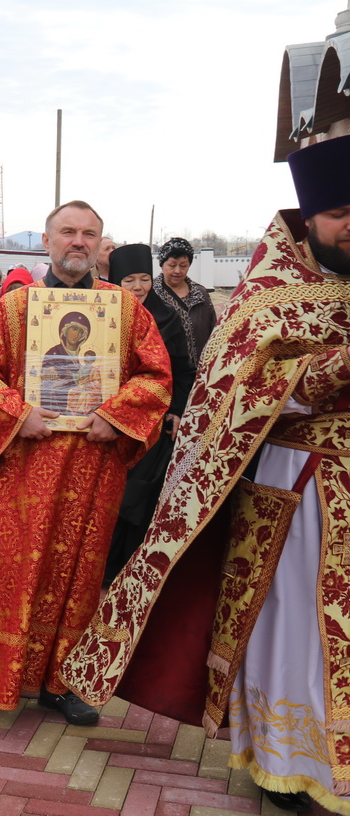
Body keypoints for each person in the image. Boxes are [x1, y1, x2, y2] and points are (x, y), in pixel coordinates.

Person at [61, 135, 350, 813]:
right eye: (340, 213)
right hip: (300, 491)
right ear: (309, 218)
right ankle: (286, 760)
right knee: (295, 628)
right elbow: (232, 388)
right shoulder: (270, 296)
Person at [0, 201, 170, 726]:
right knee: (11, 567)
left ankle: (63, 681)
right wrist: (16, 412)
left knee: (79, 574)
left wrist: (116, 415)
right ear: (47, 242)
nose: (78, 241)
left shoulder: (124, 309)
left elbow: (157, 374)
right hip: (23, 463)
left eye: (89, 234)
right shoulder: (15, 307)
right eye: (68, 232)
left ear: (99, 244)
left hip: (93, 465)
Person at [101, 244, 195, 584]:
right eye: (129, 280)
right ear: (115, 281)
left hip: (152, 423)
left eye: (144, 279)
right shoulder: (103, 313)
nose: (138, 287)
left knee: (138, 497)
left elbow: (183, 369)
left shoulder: (166, 316)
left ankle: (130, 571)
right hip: (106, 420)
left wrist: (178, 411)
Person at [153, 237, 216, 366]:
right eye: (172, 265)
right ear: (162, 265)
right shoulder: (152, 294)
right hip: (165, 369)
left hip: (199, 369)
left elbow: (214, 332)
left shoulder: (200, 294)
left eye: (183, 266)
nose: (177, 271)